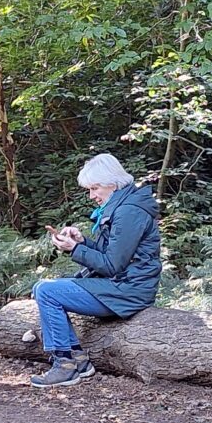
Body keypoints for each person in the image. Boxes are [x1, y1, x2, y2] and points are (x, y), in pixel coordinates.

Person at [28, 153, 162, 387]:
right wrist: (82, 242)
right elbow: (111, 254)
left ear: (112, 183)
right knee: (43, 288)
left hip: (130, 290)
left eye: (94, 188)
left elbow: (112, 265)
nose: (92, 196)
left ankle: (65, 365)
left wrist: (74, 250)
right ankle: (78, 360)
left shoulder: (129, 211)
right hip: (123, 285)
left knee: (47, 292)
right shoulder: (122, 205)